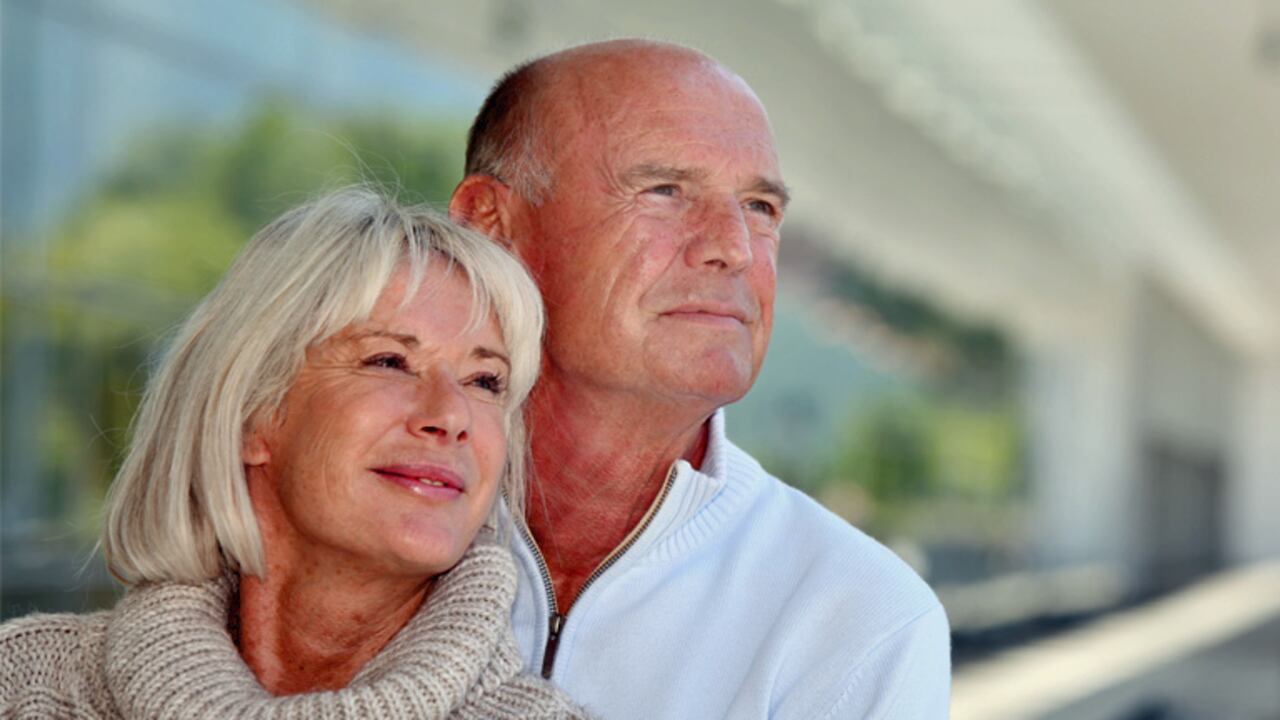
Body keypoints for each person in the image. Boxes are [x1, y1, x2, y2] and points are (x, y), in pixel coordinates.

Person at [448, 39, 951, 718]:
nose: (734, 249)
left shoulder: (861, 618)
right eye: (665, 191)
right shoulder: (350, 528)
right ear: (492, 225)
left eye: (760, 208)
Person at [0, 188, 589, 718]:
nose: (452, 416)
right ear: (252, 412)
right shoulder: (24, 688)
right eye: (389, 361)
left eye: (485, 381)